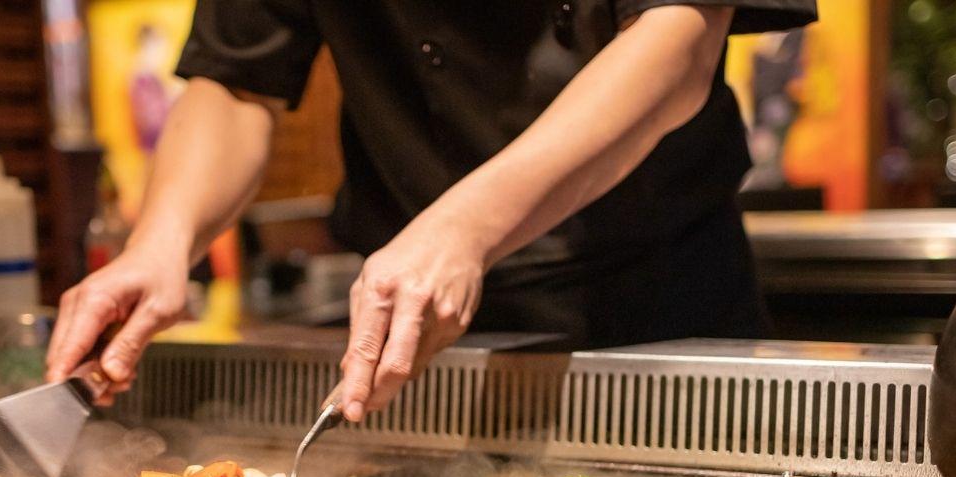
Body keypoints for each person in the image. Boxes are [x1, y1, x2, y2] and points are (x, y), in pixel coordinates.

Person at [47, 1, 818, 423]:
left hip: (661, 306)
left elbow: (678, 38)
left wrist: (466, 225)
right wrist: (161, 241)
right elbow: (236, 80)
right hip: (415, 337)